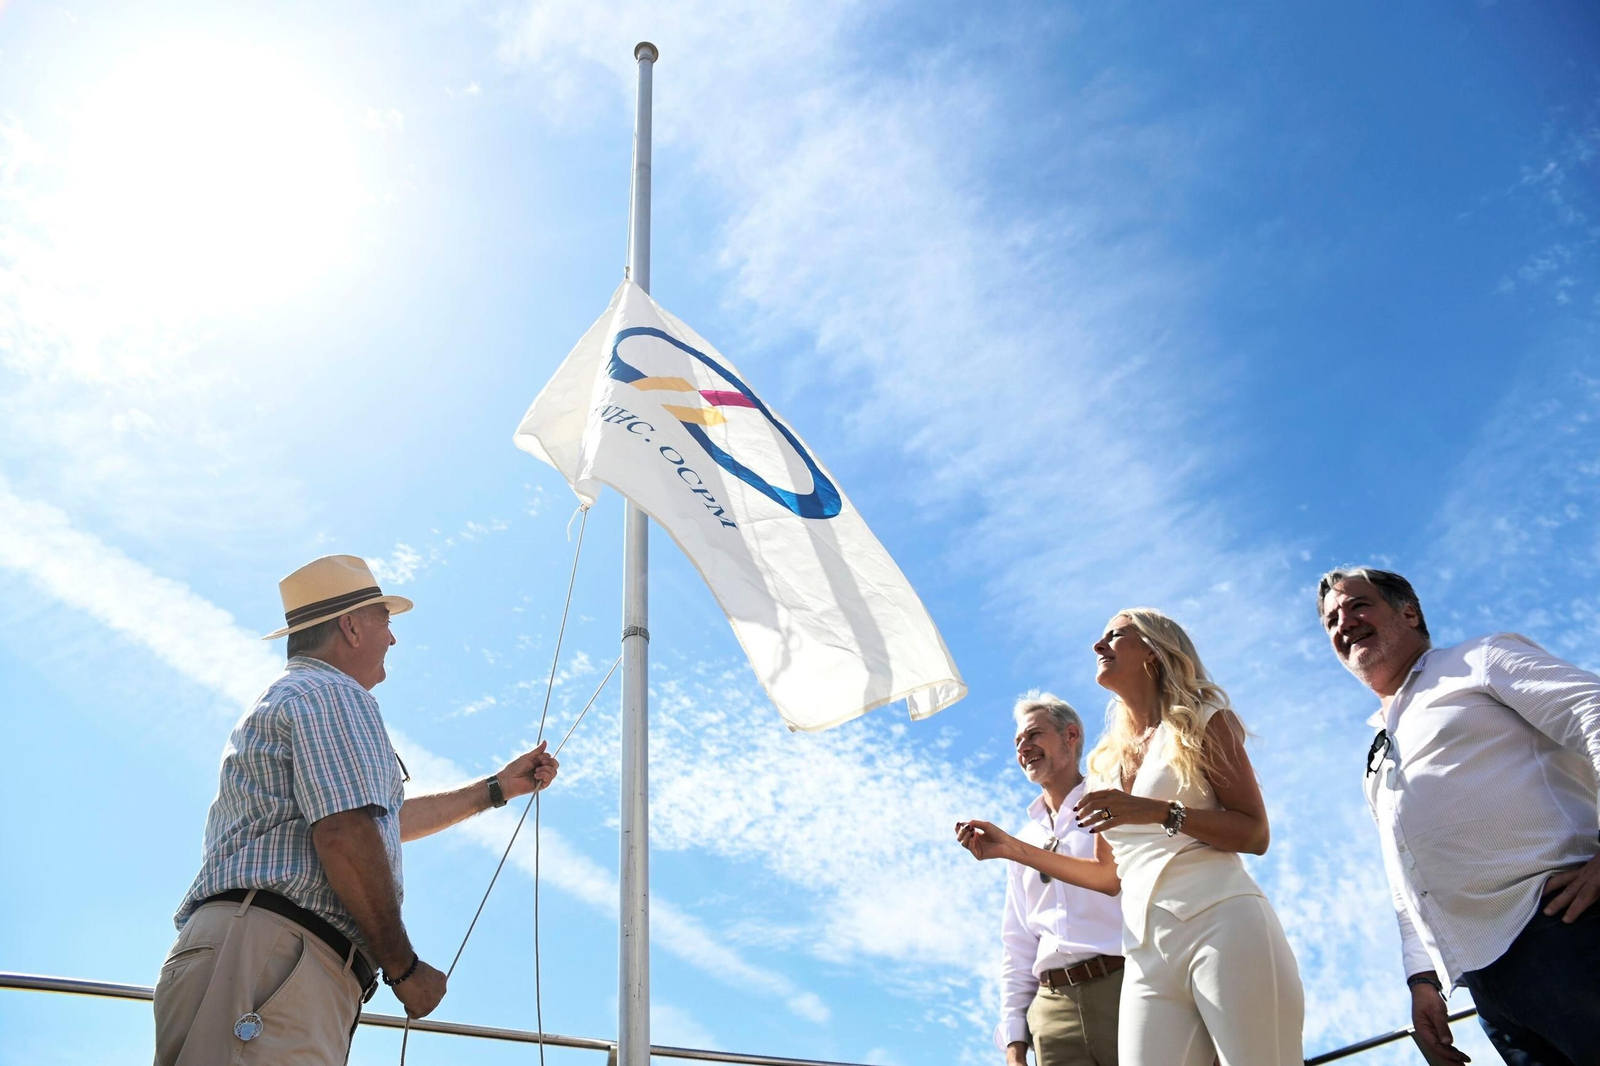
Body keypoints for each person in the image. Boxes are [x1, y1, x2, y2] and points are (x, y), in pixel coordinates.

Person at [153, 555, 560, 1066]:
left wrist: (496, 789)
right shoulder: (333, 692)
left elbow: (375, 820)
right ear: (350, 627)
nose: (393, 639)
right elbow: (346, 832)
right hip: (275, 957)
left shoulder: (299, 694)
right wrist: (405, 970)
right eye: (385, 622)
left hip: (253, 955)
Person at [959, 609, 1303, 1066]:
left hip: (1221, 923)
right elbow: (1106, 875)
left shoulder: (1203, 719)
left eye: (1114, 637)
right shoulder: (1106, 762)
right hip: (1146, 952)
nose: (1098, 647)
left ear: (1155, 651)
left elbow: (1255, 832)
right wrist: (1011, 848)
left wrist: (1158, 811)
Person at [1319, 566, 1600, 1066]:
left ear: (1408, 612)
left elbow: (1591, 711)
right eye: (1331, 620)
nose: (1345, 623)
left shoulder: (1478, 659)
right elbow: (1406, 876)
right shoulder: (1377, 757)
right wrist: (1424, 980)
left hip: (1566, 926)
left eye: (1358, 605)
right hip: (1488, 989)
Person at [959, 692, 1125, 1066]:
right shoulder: (1024, 839)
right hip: (1051, 1014)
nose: (1024, 747)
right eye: (1018, 742)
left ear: (1071, 736)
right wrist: (1015, 1043)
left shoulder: (1114, 803)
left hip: (1124, 990)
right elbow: (1018, 943)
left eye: (1033, 735)